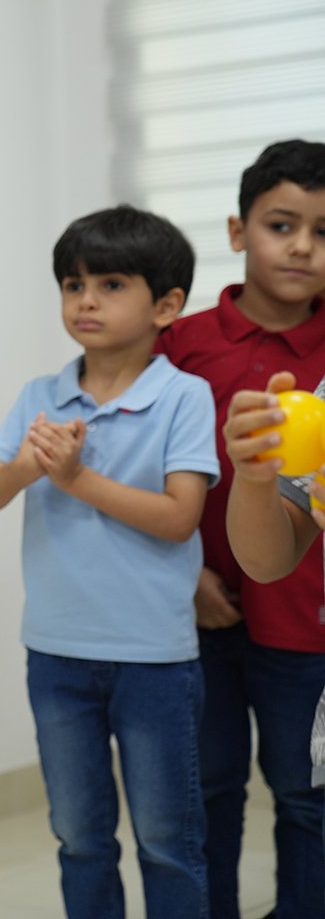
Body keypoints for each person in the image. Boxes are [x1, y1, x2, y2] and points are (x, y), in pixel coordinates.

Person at [0, 206, 219, 919]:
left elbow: (179, 517)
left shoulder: (184, 396)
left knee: (167, 841)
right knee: (79, 838)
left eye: (110, 285)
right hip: (55, 653)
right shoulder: (39, 397)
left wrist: (75, 478)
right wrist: (29, 464)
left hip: (154, 658)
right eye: (73, 284)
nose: (85, 301)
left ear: (166, 305)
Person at [155, 139, 325, 919]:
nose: (301, 247)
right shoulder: (177, 345)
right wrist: (185, 572)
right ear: (236, 230)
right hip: (197, 616)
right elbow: (136, 467)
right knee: (207, 789)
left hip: (304, 623)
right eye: (280, 225)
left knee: (305, 793)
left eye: (322, 233)